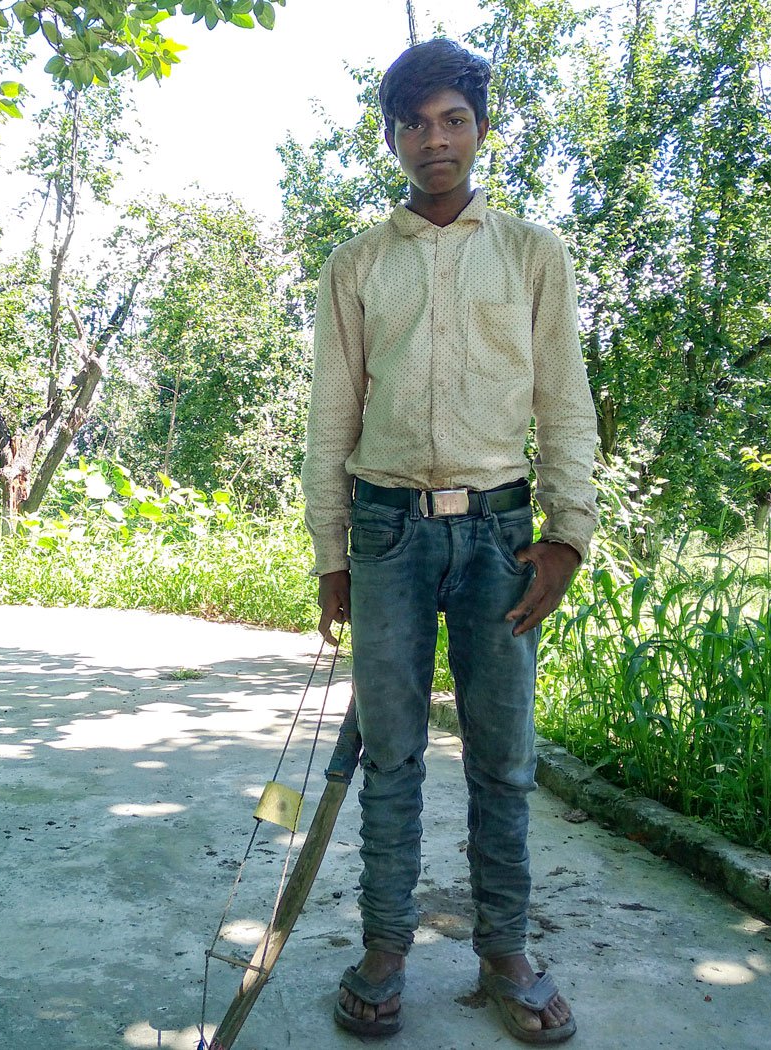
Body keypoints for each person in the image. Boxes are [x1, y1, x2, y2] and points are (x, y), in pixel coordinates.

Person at [300, 37, 598, 1045]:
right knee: (389, 758)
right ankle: (384, 949)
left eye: (452, 120)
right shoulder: (356, 265)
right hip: (384, 534)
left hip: (502, 541)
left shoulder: (529, 254)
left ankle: (503, 951)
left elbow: (565, 404)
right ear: (389, 137)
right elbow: (330, 420)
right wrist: (331, 554)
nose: (435, 140)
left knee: (502, 761)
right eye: (415, 123)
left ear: (477, 130)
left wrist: (566, 536)